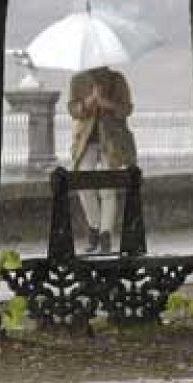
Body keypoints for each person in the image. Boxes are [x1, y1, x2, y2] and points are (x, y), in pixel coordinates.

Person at [68, 65, 136, 254]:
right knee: (83, 182)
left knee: (108, 188)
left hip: (112, 141)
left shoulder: (116, 79)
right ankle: (95, 227)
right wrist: (90, 101)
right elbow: (73, 110)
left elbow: (127, 109)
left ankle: (106, 234)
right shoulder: (78, 80)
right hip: (86, 141)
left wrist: (108, 104)